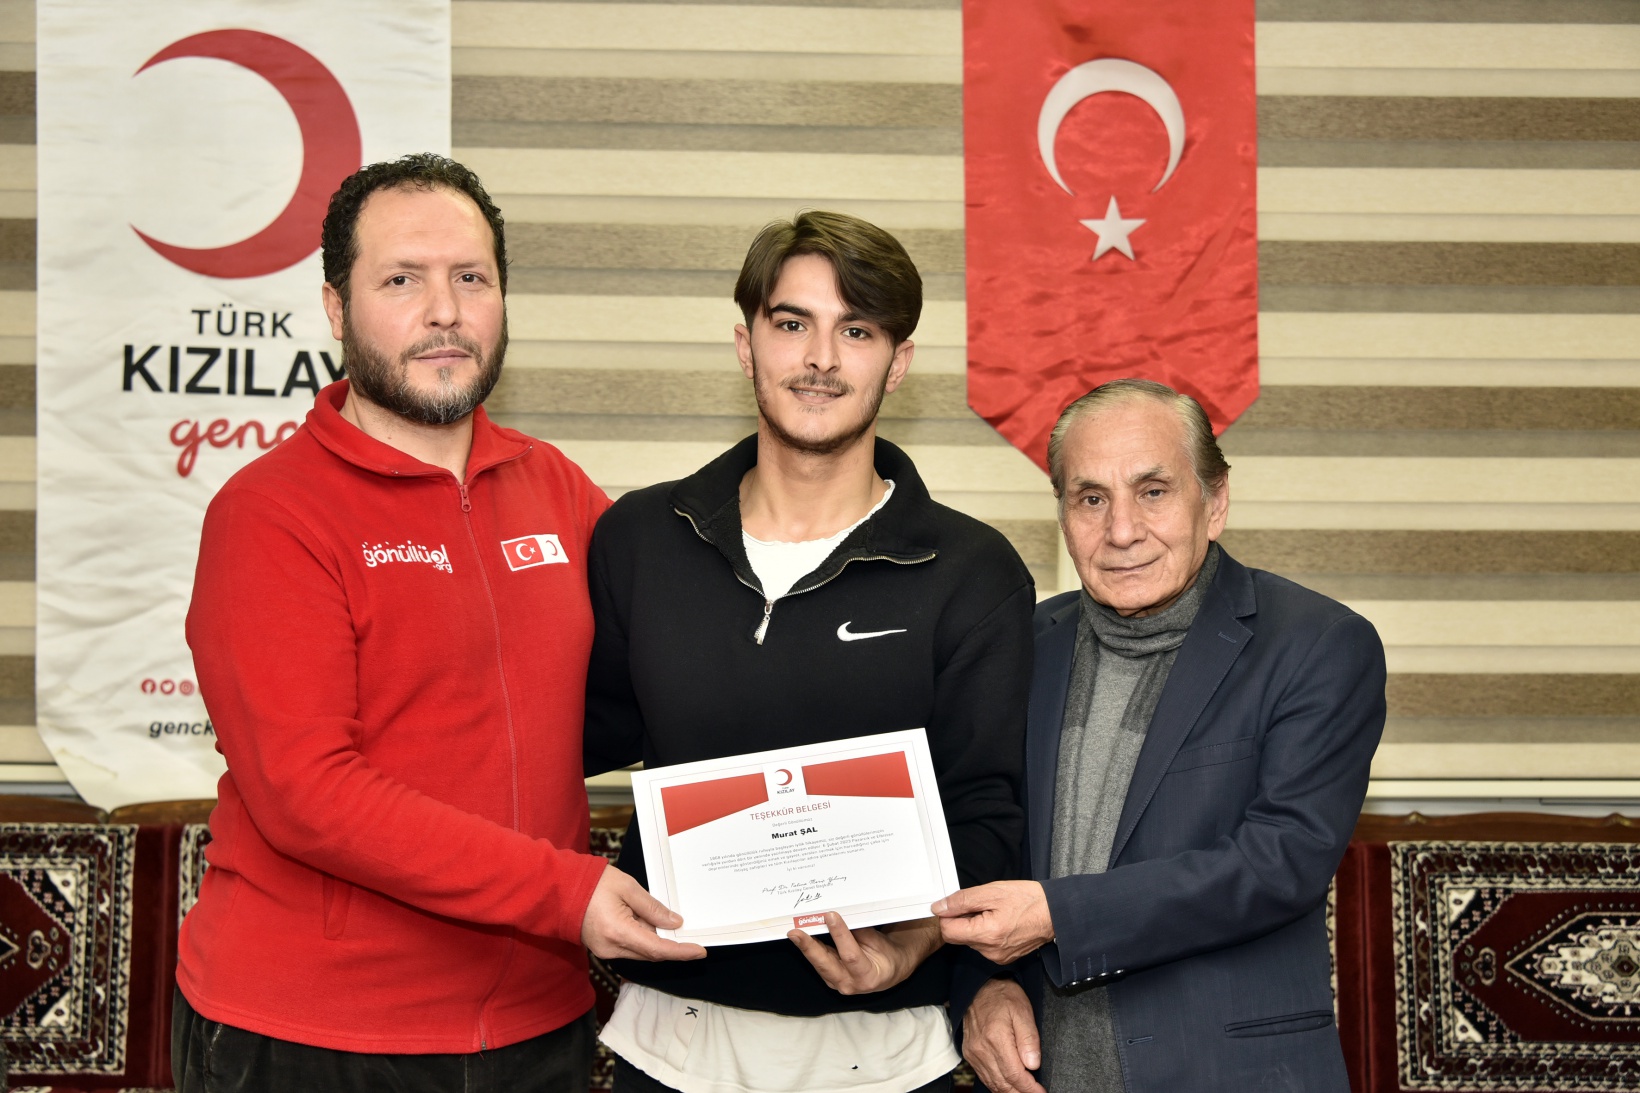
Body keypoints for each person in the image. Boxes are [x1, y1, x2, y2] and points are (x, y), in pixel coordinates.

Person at [176, 154, 702, 1093]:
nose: (445, 311)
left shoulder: (556, 487)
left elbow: (680, 676)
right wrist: (566, 890)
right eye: (402, 280)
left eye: (471, 277)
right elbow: (307, 791)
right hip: (314, 1034)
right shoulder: (270, 514)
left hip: (533, 1023)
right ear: (336, 309)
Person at [584, 210, 1035, 1093]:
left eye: (856, 330)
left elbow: (988, 810)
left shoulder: (973, 571)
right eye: (792, 323)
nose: (821, 358)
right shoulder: (639, 538)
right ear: (746, 345)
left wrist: (909, 946)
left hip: (889, 1053)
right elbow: (559, 749)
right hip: (669, 1041)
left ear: (897, 363)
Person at [934, 379, 1385, 1093]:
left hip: (1227, 1072)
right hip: (1045, 1074)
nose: (1121, 530)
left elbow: (1282, 860)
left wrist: (1060, 916)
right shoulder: (1024, 645)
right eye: (1090, 498)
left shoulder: (1318, 644)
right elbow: (982, 835)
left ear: (1216, 501)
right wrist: (982, 987)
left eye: (1153, 491)